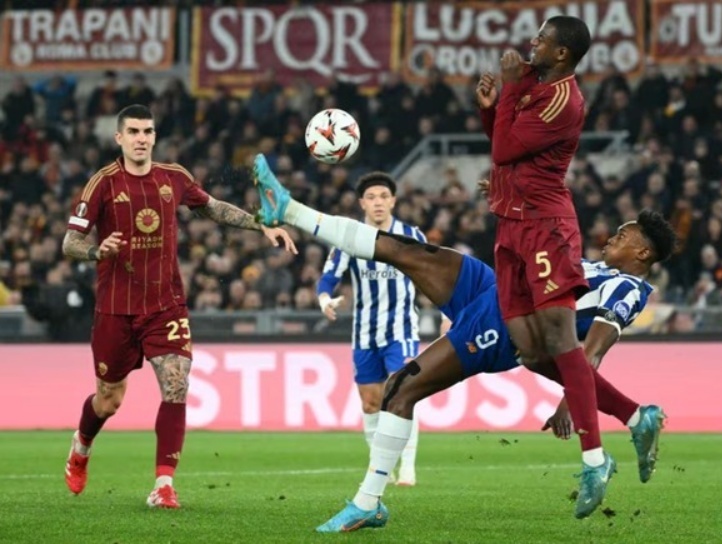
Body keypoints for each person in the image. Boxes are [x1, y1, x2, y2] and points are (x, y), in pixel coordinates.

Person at [251, 154, 677, 531]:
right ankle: (290, 209)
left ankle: (367, 503)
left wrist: (572, 402)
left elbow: (591, 351)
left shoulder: (627, 289)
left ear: (643, 254)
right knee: (405, 250)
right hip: (494, 289)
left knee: (399, 390)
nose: (612, 238)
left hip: (502, 328)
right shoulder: (599, 269)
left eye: (624, 237)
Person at [61, 105, 297, 509]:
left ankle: (164, 485)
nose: (141, 138)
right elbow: (70, 243)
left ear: (155, 136)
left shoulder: (174, 177)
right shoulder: (102, 183)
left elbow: (213, 207)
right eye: (133, 131)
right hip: (116, 308)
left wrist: (260, 223)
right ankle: (81, 447)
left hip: (165, 304)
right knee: (109, 400)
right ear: (119, 138)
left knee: (176, 383)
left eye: (147, 131)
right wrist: (97, 251)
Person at [476, 16, 612, 517]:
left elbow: (504, 148)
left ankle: (594, 458)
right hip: (509, 225)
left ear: (561, 53)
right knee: (529, 350)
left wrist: (510, 89)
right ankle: (629, 411)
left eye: (542, 39)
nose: (532, 43)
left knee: (559, 337)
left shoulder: (562, 100)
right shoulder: (533, 83)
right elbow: (504, 148)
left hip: (544, 226)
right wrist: (492, 108)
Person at [316, 172, 425, 486]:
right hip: (364, 334)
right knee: (370, 403)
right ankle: (381, 466)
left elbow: (433, 274)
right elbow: (329, 277)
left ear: (393, 201)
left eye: (383, 196)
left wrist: (448, 311)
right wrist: (324, 299)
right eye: (371, 197)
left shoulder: (411, 235)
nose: (378, 202)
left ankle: (408, 468)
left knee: (402, 393)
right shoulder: (350, 237)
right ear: (362, 203)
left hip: (402, 331)